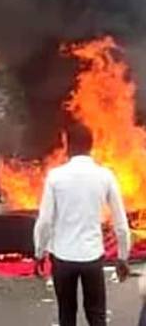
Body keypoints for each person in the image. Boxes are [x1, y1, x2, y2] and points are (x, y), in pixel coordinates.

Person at [34, 123, 131, 326]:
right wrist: (123, 257)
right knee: (96, 316)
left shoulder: (55, 177)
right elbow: (121, 223)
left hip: (62, 257)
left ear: (66, 144)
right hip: (92, 257)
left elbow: (44, 222)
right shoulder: (105, 176)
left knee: (66, 316)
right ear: (91, 146)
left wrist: (39, 252)